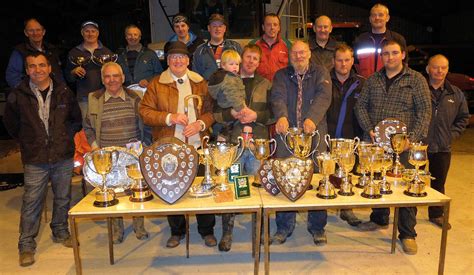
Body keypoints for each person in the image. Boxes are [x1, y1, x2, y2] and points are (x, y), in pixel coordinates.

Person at [3, 52, 82, 267]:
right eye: (32, 66)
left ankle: (60, 231)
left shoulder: (64, 92)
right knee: (31, 201)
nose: (37, 70)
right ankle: (26, 244)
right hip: (35, 157)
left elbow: (76, 120)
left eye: (41, 65)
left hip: (62, 155)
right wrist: (29, 140)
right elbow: (11, 124)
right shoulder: (18, 95)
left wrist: (63, 137)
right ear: (27, 70)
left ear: (49, 68)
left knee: (63, 197)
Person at [355, 39, 432, 255]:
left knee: (407, 189)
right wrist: (369, 128)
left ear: (403, 55)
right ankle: (379, 219)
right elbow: (360, 105)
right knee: (377, 181)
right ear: (382, 57)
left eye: (394, 53)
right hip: (377, 144)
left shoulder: (416, 80)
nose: (390, 57)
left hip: (403, 147)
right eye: (386, 53)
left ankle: (407, 233)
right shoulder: (372, 80)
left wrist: (412, 139)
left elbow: (425, 112)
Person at [139, 41, 217, 248]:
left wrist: (201, 123)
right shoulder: (157, 84)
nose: (178, 61)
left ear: (188, 60)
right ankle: (177, 230)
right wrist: (169, 117)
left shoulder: (201, 83)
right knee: (171, 187)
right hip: (168, 147)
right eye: (173, 57)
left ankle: (206, 230)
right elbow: (145, 112)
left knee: (203, 186)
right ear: (168, 61)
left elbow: (212, 111)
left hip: (198, 145)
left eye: (181, 57)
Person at [270, 40, 332, 245]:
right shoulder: (280, 75)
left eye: (302, 52)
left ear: (309, 54)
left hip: (314, 134)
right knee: (285, 177)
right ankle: (284, 226)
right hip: (287, 136)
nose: (298, 56)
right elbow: (277, 97)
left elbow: (324, 97)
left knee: (316, 178)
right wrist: (281, 116)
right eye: (295, 53)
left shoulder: (321, 72)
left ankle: (317, 227)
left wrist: (312, 118)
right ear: (289, 55)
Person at [212, 44, 272, 251]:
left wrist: (257, 116)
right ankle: (227, 232)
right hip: (233, 147)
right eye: (248, 57)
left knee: (260, 189)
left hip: (258, 147)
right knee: (231, 187)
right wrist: (232, 114)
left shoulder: (266, 84)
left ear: (259, 61)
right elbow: (215, 115)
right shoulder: (225, 81)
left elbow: (273, 114)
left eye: (255, 58)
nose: (251, 61)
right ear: (241, 58)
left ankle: (261, 230)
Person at [83, 62, 149, 244]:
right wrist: (96, 148)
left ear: (123, 78)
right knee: (111, 192)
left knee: (136, 191)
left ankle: (139, 226)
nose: (112, 80)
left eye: (115, 76)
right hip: (107, 156)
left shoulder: (136, 97)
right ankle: (116, 230)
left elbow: (146, 124)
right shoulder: (94, 99)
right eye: (107, 76)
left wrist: (143, 146)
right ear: (102, 80)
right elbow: (87, 126)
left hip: (131, 156)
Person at [424, 54, 469, 229]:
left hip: (442, 146)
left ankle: (436, 214)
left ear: (448, 70)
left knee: (439, 181)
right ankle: (407, 213)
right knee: (412, 180)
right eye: (435, 67)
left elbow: (463, 118)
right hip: (419, 145)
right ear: (428, 69)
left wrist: (451, 135)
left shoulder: (455, 93)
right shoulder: (420, 89)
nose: (439, 71)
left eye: (443, 67)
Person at [326, 44, 365, 226]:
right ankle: (321, 213)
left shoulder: (362, 84)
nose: (343, 64)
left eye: (347, 60)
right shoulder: (323, 80)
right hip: (327, 137)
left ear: (352, 61)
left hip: (351, 138)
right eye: (339, 60)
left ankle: (346, 209)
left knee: (347, 175)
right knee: (326, 175)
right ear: (333, 61)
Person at [65, 20, 114, 117]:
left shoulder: (107, 52)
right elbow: (68, 78)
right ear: (82, 33)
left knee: (106, 127)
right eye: (87, 31)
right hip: (84, 99)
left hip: (105, 97)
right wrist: (73, 72)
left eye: (93, 31)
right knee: (87, 129)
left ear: (98, 33)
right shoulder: (74, 53)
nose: (90, 34)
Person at [6, 18, 64, 88]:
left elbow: (59, 75)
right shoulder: (19, 52)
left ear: (43, 32)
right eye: (31, 30)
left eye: (38, 30)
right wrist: (28, 92)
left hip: (56, 94)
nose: (35, 33)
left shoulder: (52, 50)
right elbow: (12, 77)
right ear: (26, 33)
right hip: (32, 95)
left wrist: (63, 89)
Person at [353, 3, 407, 78]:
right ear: (370, 19)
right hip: (366, 86)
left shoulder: (398, 39)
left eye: (380, 15)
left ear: (387, 18)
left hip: (391, 85)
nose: (377, 18)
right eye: (374, 15)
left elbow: (404, 64)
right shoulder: (360, 39)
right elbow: (355, 64)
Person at [192, 13, 242, 80]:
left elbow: (243, 69)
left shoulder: (235, 47)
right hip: (208, 88)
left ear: (224, 29)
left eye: (220, 26)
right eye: (214, 26)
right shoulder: (199, 51)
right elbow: (195, 76)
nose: (217, 29)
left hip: (231, 87)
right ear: (209, 28)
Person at [249, 13, 291, 82]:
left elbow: (294, 69)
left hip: (282, 86)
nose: (272, 28)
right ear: (263, 27)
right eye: (268, 25)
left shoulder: (287, 45)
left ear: (279, 28)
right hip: (259, 86)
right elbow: (246, 67)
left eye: (275, 25)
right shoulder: (253, 44)